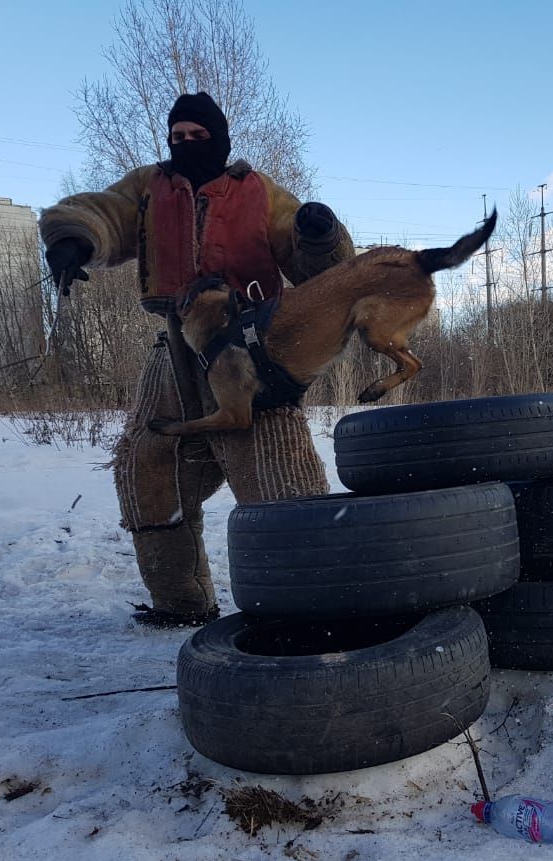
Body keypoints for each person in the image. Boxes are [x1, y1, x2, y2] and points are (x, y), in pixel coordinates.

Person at [39, 91, 355, 627]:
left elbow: (319, 269)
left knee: (280, 478)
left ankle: (312, 604)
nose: (186, 144)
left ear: (221, 138)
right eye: (177, 136)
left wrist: (320, 237)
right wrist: (72, 238)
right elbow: (103, 215)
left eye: (198, 136)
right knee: (148, 467)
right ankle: (181, 603)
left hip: (251, 345)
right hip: (177, 345)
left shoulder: (259, 191)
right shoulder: (150, 185)